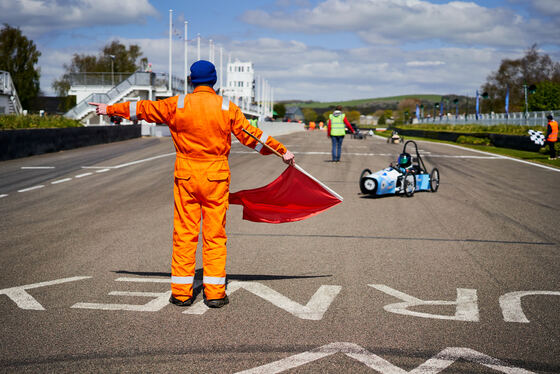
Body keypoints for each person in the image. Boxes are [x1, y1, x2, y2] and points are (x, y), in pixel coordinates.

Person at [89, 60, 295, 309]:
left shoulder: (177, 104)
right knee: (214, 235)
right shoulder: (226, 107)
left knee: (185, 234)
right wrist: (281, 151)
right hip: (216, 176)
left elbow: (142, 108)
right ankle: (215, 293)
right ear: (214, 81)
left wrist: (109, 108)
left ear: (191, 80)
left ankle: (181, 293)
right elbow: (252, 136)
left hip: (186, 174)